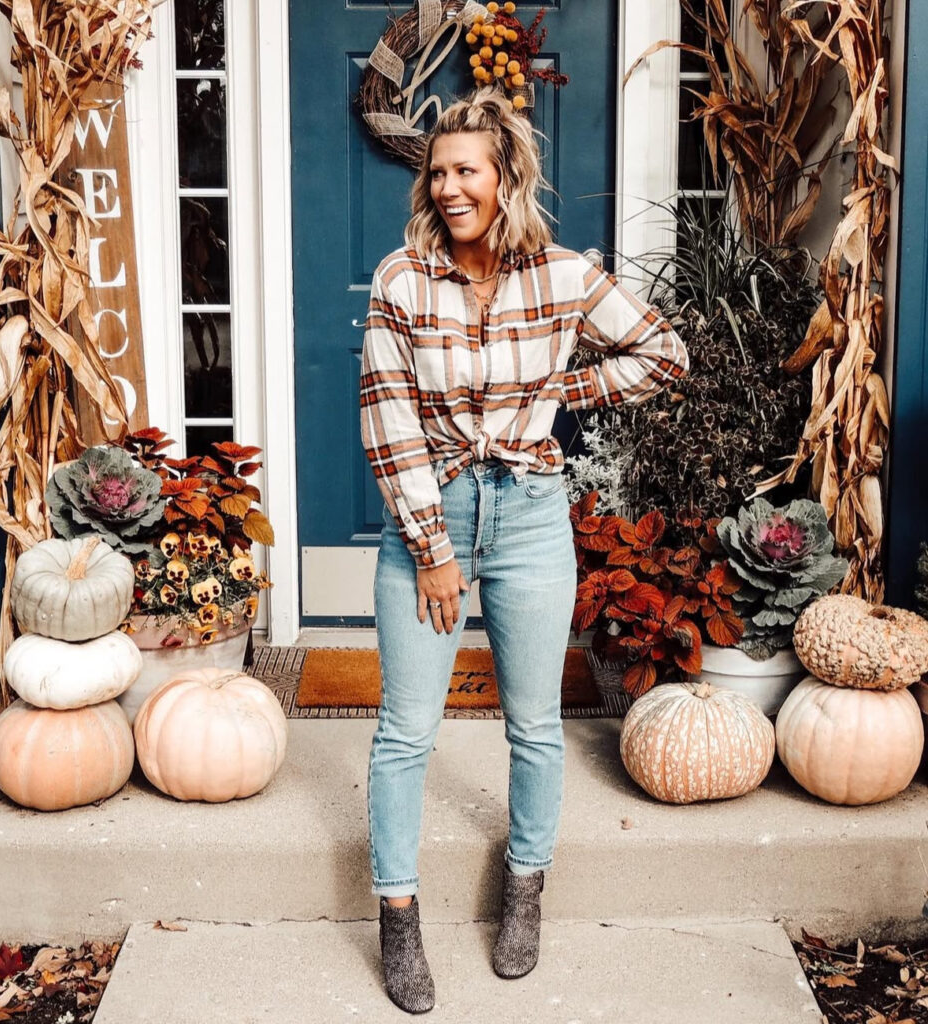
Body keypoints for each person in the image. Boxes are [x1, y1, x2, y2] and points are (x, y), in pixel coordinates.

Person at [360, 89, 688, 1014]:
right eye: (439, 172)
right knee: (404, 731)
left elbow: (664, 355)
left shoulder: (561, 273)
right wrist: (430, 546)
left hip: (533, 513)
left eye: (468, 170)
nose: (450, 187)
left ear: (506, 177)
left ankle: (524, 894)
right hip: (431, 515)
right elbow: (386, 417)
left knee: (535, 725)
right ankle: (398, 918)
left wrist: (561, 391)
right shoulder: (401, 279)